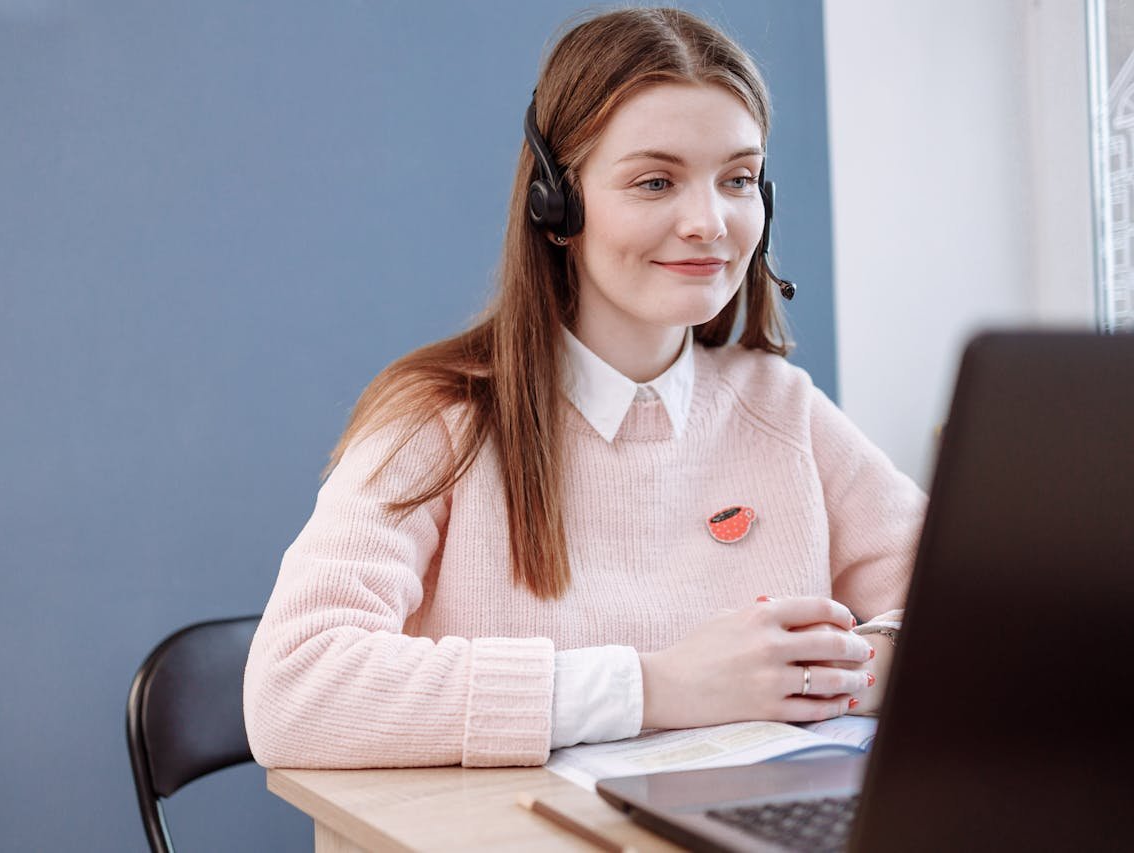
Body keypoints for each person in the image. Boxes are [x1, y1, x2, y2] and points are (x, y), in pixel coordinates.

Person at [243, 7, 924, 770]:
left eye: (737, 178)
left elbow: (993, 612)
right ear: (557, 205)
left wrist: (825, 675)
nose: (709, 220)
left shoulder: (780, 408)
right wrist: (656, 687)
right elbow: (293, 687)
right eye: (655, 181)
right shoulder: (438, 422)